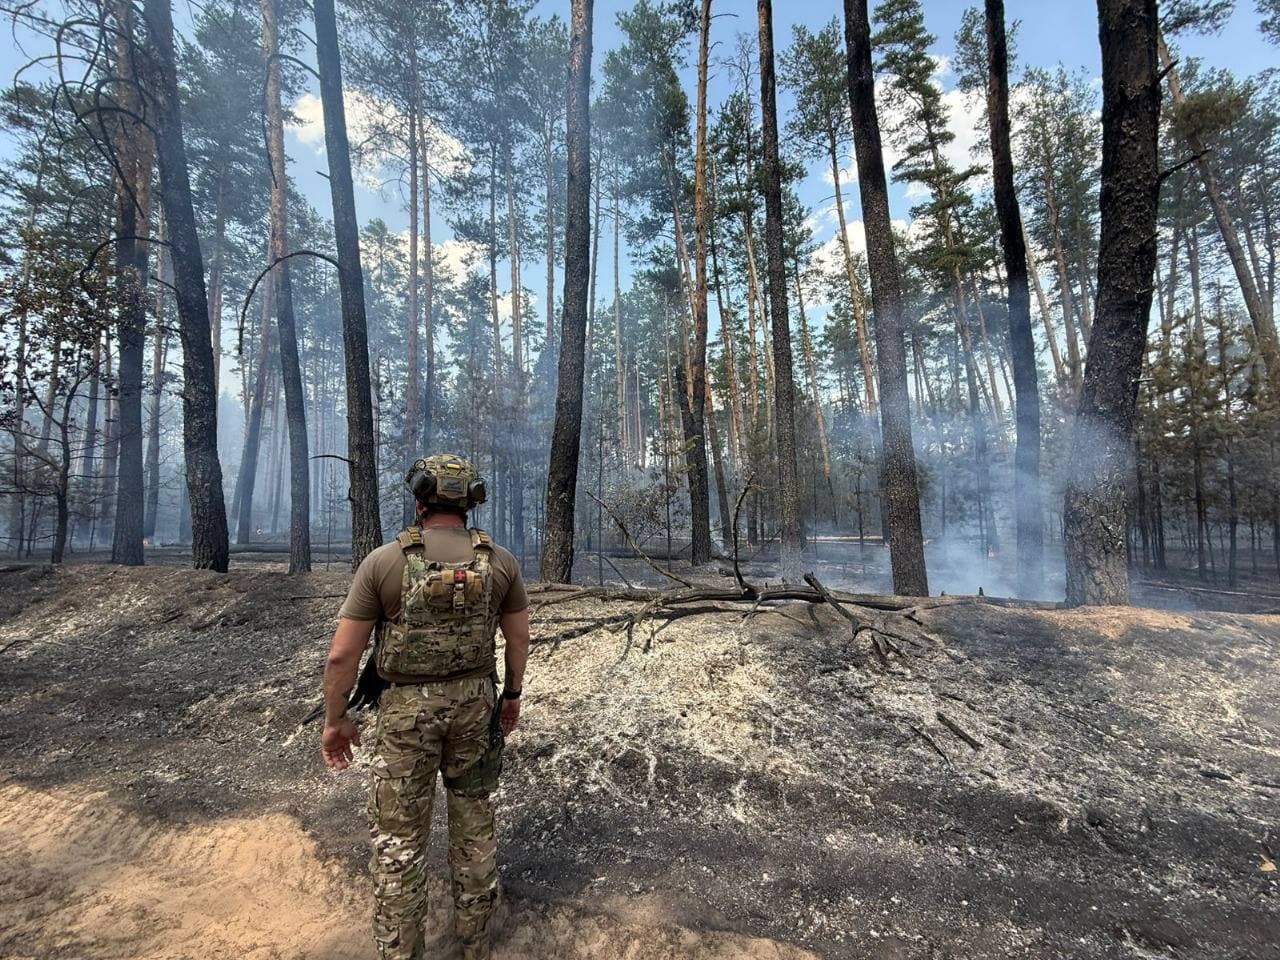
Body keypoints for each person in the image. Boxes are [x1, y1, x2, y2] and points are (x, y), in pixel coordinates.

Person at [320, 454, 530, 960]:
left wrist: (336, 720)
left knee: (399, 843)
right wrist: (512, 696)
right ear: (470, 503)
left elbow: (342, 655)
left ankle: (401, 952)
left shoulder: (384, 562)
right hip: (476, 707)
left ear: (420, 499)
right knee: (474, 825)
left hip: (404, 718)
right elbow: (518, 639)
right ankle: (475, 945)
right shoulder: (500, 561)